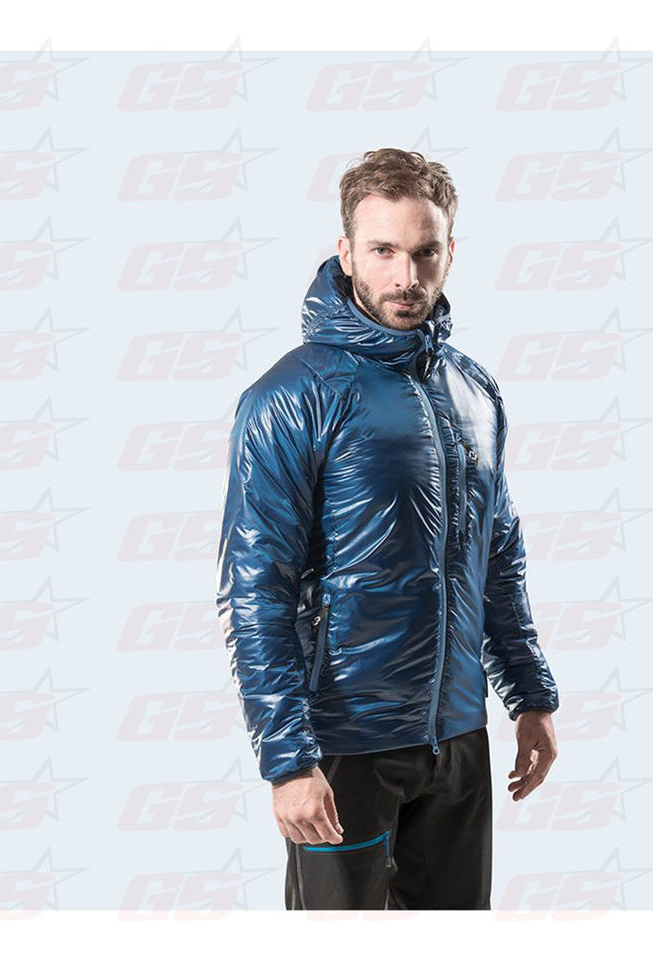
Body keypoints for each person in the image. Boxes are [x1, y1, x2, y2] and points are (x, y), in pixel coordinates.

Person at [216, 148, 560, 910]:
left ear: (450, 252)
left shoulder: (473, 390)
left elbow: (498, 556)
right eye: (383, 251)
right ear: (345, 252)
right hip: (345, 749)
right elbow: (256, 587)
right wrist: (288, 761)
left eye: (424, 252)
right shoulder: (291, 396)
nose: (406, 276)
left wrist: (530, 697)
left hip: (458, 741)